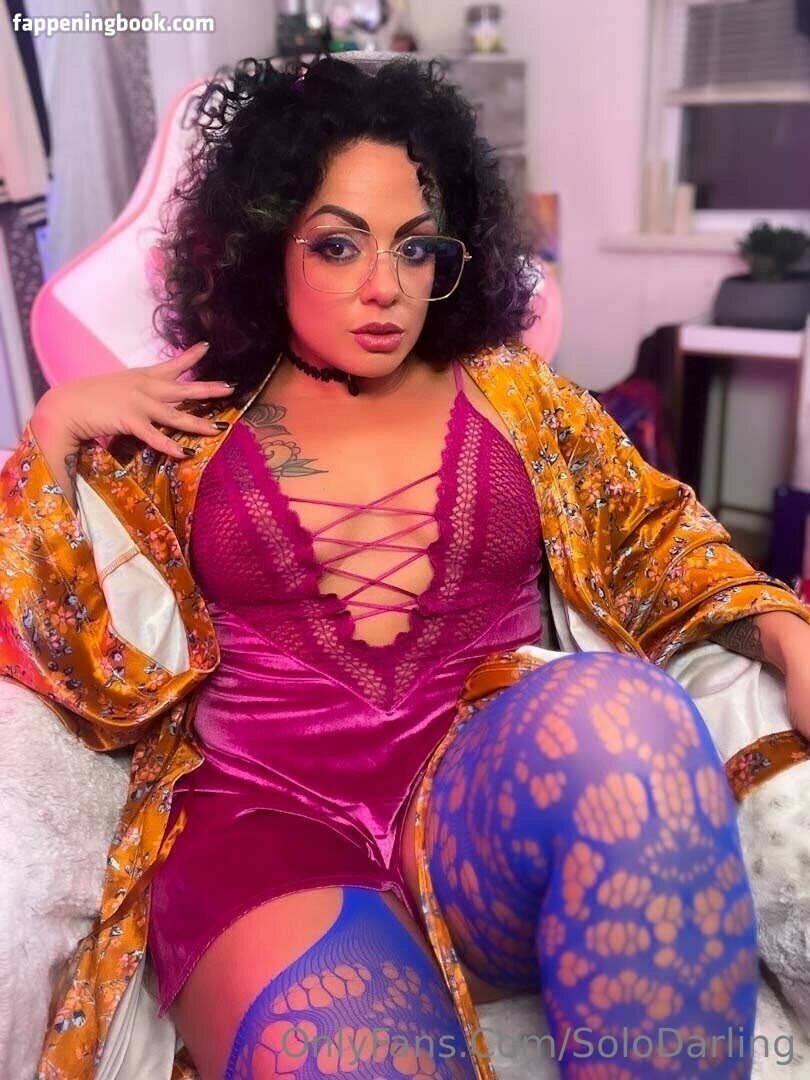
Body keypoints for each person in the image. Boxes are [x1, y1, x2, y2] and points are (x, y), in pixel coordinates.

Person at [2, 53, 810, 1080]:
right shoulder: (184, 423)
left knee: (628, 713)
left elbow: (659, 539)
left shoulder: (520, 397)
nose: (384, 287)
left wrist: (790, 635)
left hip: (477, 807)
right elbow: (60, 645)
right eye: (338, 245)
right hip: (267, 826)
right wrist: (54, 429)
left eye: (415, 247)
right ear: (266, 244)